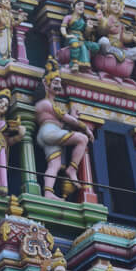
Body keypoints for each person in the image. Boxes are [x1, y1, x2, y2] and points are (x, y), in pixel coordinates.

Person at [35, 60, 94, 198]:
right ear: (46, 84)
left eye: (59, 83)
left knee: (54, 164)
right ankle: (72, 169)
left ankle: (48, 192)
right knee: (82, 138)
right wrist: (85, 128)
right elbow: (65, 118)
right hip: (48, 132)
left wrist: (72, 117)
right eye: (55, 82)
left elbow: (62, 123)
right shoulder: (45, 103)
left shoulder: (51, 105)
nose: (58, 86)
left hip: (50, 134)